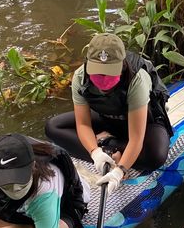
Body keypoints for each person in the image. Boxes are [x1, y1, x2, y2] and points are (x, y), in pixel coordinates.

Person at [44, 32, 173, 194]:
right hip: (108, 118)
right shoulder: (80, 77)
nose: (103, 78)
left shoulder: (137, 79)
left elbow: (136, 137)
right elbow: (83, 123)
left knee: (156, 155)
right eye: (98, 71)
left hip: (144, 124)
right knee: (53, 127)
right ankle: (107, 149)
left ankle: (111, 145)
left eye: (109, 71)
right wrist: (95, 153)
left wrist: (120, 171)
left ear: (122, 65)